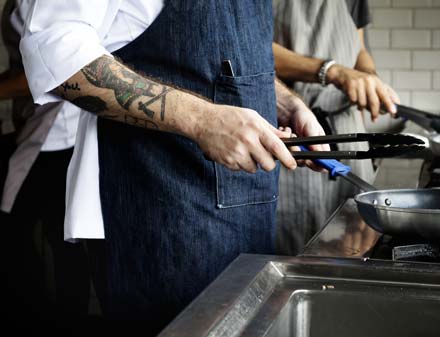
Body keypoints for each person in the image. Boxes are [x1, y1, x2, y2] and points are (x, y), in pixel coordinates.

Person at [19, 1, 327, 334]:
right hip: (157, 211)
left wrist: (283, 103)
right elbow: (57, 56)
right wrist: (202, 119)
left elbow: (221, 54)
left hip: (246, 213)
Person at [0, 1, 90, 335]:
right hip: (41, 130)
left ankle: (47, 322)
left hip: (61, 133)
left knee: (23, 234)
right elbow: (25, 69)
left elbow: (59, 69)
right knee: (54, 240)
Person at [272, 0, 401, 255]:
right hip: (289, 132)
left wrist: (368, 78)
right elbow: (249, 50)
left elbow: (358, 46)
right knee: (294, 251)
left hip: (345, 128)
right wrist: (331, 71)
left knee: (357, 243)